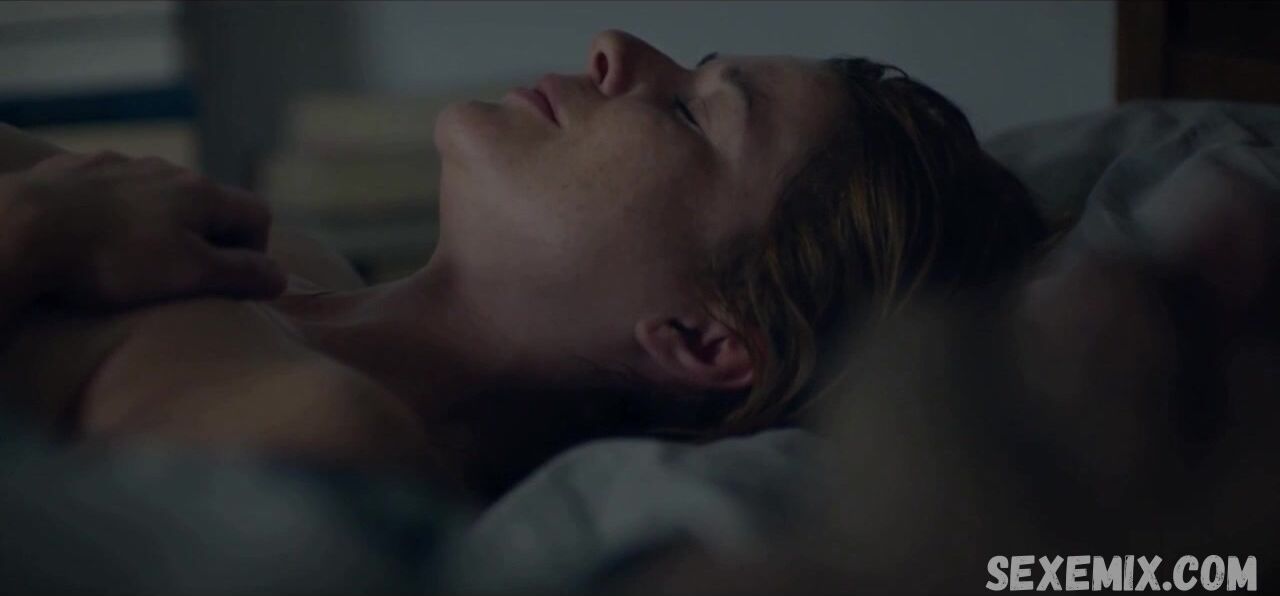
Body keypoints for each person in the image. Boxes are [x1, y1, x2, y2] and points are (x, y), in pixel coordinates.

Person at [0, 30, 1046, 496]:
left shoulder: (323, 443)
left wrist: (31, 233)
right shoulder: (275, 249)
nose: (613, 47)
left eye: (690, 114)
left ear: (698, 336)